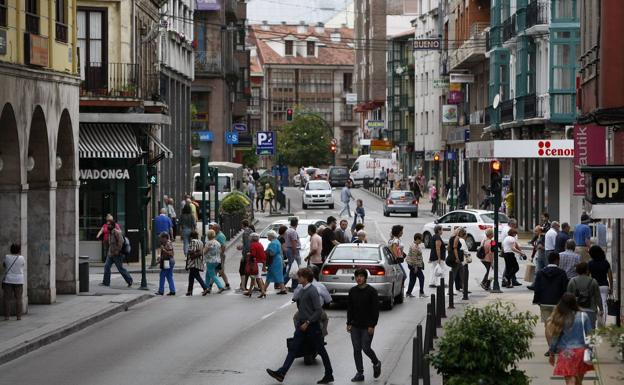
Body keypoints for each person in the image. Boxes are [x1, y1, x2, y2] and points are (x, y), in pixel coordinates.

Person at [266, 268, 334, 384]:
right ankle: (281, 373)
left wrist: (308, 322)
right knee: (293, 349)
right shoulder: (302, 289)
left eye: (300, 276)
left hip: (312, 326)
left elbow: (318, 311)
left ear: (306, 278)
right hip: (301, 325)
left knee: (321, 350)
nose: (298, 278)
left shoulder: (312, 291)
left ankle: (329, 374)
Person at [547, 293, 594, 384]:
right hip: (581, 351)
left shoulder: (560, 317)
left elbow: (555, 338)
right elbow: (590, 335)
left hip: (566, 352)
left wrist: (551, 352)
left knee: (570, 378)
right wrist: (590, 350)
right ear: (574, 303)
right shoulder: (583, 316)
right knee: (579, 381)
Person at [347, 268, 382, 382]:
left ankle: (376, 362)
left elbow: (375, 310)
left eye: (361, 276)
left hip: (367, 326)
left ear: (365, 278)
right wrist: (349, 323)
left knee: (366, 348)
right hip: (355, 326)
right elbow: (350, 308)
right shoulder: (352, 291)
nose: (359, 278)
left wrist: (372, 325)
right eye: (357, 276)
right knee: (356, 349)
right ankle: (359, 373)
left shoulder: (372, 291)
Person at [533, 252, 569, 345]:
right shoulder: (562, 273)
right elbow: (565, 289)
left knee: (547, 325)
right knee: (558, 325)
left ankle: (550, 348)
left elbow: (536, 287)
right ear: (557, 260)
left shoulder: (541, 272)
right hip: (558, 303)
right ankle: (555, 345)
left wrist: (537, 300)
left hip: (544, 302)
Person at [567, 262, 603, 329]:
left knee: (578, 331)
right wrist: (601, 309)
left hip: (576, 311)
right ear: (587, 270)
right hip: (591, 310)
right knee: (591, 332)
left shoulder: (572, 281)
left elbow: (568, 297)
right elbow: (598, 297)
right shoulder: (593, 281)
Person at [101, 220, 133, 287]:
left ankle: (129, 280)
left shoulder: (116, 232)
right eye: (107, 224)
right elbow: (110, 244)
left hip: (117, 255)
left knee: (120, 269)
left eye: (109, 224)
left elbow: (121, 242)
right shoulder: (109, 233)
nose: (108, 226)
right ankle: (106, 282)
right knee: (107, 266)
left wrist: (117, 251)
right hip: (110, 254)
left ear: (113, 225)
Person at [587, 245, 613, 327]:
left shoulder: (590, 264)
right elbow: (610, 276)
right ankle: (602, 324)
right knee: (604, 304)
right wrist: (611, 287)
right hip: (604, 286)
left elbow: (587, 276)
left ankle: (594, 321)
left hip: (594, 286)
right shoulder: (606, 263)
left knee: (594, 304)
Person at [2, 244, 25, 320]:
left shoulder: (7, 257)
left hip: (8, 280)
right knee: (18, 299)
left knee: (7, 299)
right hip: (19, 280)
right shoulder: (21, 258)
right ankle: (18, 316)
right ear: (19, 250)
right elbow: (22, 265)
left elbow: (4, 265)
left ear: (11, 249)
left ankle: (7, 316)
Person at [185, 231, 209, 296]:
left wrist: (189, 251)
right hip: (198, 261)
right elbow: (201, 251)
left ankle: (205, 288)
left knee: (197, 276)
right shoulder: (200, 242)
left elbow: (192, 250)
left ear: (191, 237)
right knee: (191, 277)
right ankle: (189, 291)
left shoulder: (193, 241)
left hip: (193, 262)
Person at [265, 230, 287, 295]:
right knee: (271, 274)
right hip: (278, 259)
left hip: (274, 261)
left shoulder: (273, 243)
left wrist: (266, 251)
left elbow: (272, 253)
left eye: (268, 236)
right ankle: (264, 288)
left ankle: (283, 289)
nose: (267, 237)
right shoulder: (277, 241)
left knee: (276, 274)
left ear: (271, 236)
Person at [203, 230, 226, 294]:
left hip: (210, 260)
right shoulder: (217, 242)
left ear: (208, 235)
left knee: (212, 275)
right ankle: (206, 287)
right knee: (208, 274)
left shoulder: (209, 243)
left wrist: (203, 252)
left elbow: (205, 252)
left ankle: (220, 286)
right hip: (217, 260)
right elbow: (220, 251)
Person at [245, 232, 267, 298]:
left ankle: (263, 291)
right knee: (253, 277)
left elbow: (253, 254)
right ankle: (250, 291)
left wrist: (249, 254)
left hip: (256, 263)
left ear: (252, 238)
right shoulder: (260, 244)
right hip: (260, 262)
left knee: (258, 277)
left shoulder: (253, 245)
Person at [211, 223, 231, 290]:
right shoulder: (217, 234)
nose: (212, 230)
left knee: (220, 271)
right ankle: (210, 285)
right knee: (217, 271)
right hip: (217, 256)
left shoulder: (220, 236)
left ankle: (226, 285)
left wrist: (221, 255)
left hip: (220, 256)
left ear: (217, 229)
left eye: (213, 228)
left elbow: (223, 246)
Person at [284, 217, 302, 290]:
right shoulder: (293, 231)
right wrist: (294, 253)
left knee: (292, 268)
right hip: (293, 250)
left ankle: (283, 283)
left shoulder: (288, 230)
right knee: (295, 269)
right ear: (296, 224)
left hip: (289, 250)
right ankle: (293, 286)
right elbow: (294, 242)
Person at [406, 233, 426, 298]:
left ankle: (408, 292)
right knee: (421, 277)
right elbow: (414, 258)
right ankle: (421, 292)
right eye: (421, 239)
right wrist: (415, 267)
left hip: (413, 265)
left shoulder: (415, 245)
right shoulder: (414, 247)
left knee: (413, 279)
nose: (421, 241)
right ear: (417, 239)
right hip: (414, 265)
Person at [236, 219, 254, 293]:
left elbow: (247, 245)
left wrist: (244, 255)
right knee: (249, 271)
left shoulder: (245, 233)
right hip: (250, 253)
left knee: (242, 270)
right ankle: (246, 286)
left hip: (247, 254)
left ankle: (243, 287)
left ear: (243, 225)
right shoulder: (251, 231)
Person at [528, 225, 546, 290]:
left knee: (542, 271)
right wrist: (532, 257)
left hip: (544, 256)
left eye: (536, 231)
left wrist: (541, 247)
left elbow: (547, 247)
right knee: (537, 271)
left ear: (540, 231)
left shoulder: (544, 237)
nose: (534, 232)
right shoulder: (538, 237)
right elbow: (535, 248)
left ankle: (538, 284)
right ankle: (535, 284)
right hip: (539, 256)